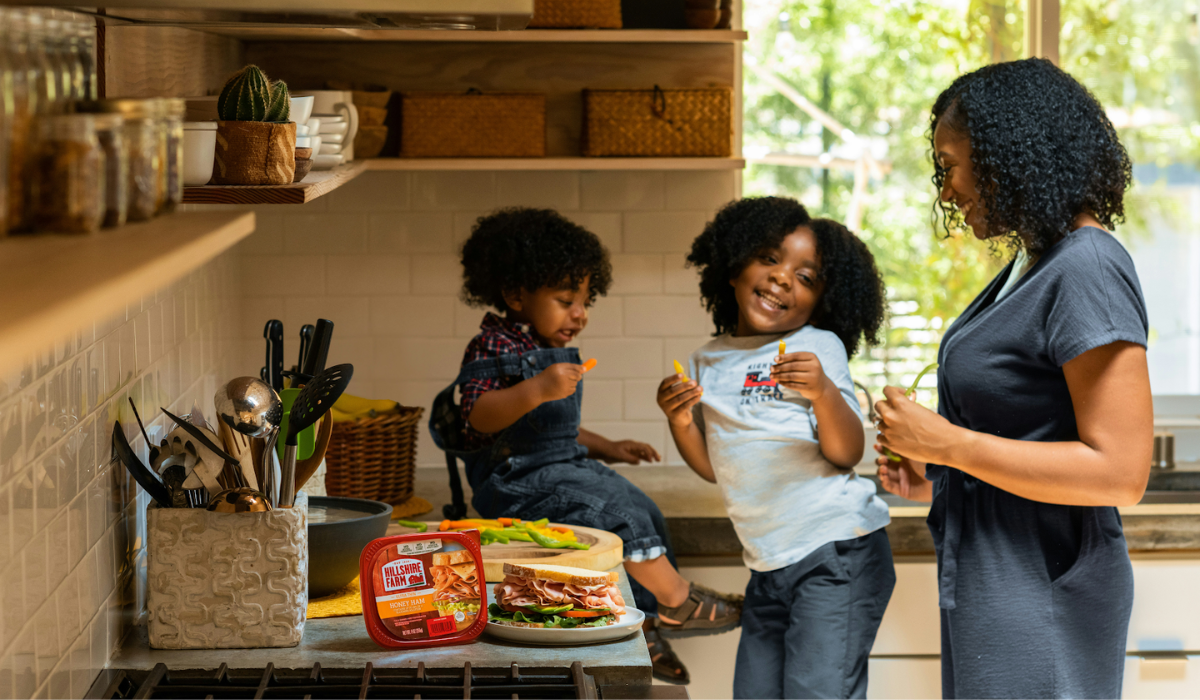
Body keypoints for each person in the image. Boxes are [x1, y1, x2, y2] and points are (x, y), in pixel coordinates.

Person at [873, 57, 1153, 699]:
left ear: (1008, 156)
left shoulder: (1086, 267)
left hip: (1043, 592)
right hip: (996, 580)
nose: (946, 189)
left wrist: (948, 447)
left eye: (951, 165)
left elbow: (1121, 473)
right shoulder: (1035, 259)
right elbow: (1029, 433)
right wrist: (938, 477)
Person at [428, 207, 742, 685]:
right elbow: (479, 416)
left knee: (644, 507)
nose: (580, 313)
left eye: (584, 300)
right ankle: (679, 601)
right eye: (564, 299)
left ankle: (650, 622)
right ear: (516, 295)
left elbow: (556, 432)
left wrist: (610, 446)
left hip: (561, 465)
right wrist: (536, 388)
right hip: (514, 480)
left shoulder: (545, 345)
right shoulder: (493, 345)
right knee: (620, 514)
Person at [658, 197, 894, 699]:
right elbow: (714, 466)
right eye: (768, 258)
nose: (783, 278)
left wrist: (823, 393)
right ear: (733, 267)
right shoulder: (708, 360)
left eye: (806, 277)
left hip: (836, 552)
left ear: (823, 299)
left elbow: (848, 453)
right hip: (767, 564)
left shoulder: (817, 347)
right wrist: (680, 420)